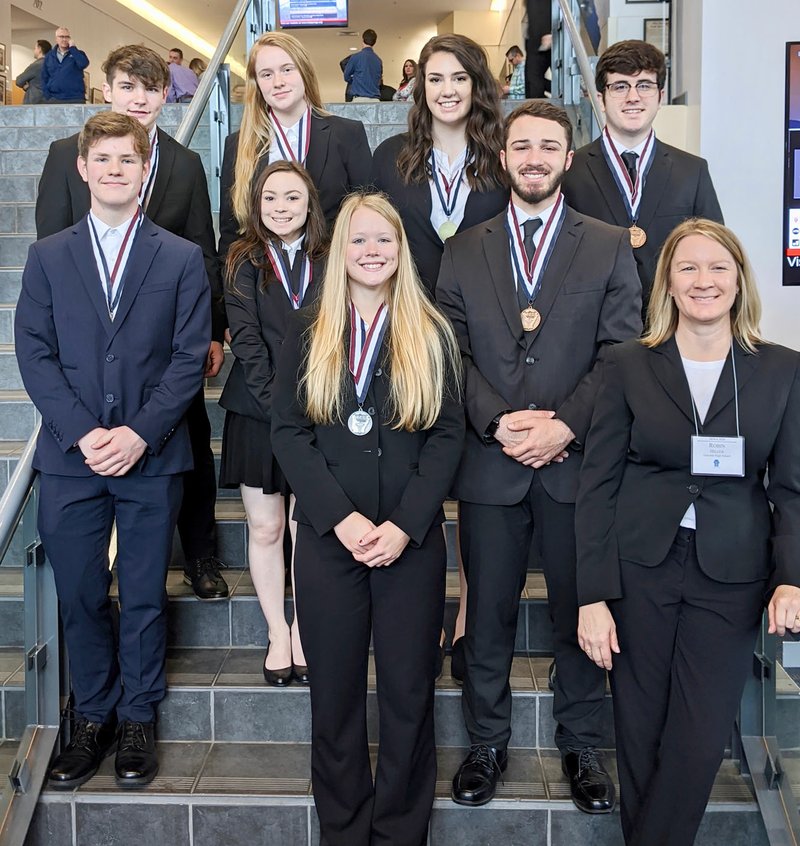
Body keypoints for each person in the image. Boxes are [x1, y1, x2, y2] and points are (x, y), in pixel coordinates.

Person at [436, 100, 642, 811]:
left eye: (547, 147)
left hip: (576, 468)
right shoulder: (464, 246)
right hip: (491, 465)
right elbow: (447, 351)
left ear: (566, 157)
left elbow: (622, 352)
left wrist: (566, 427)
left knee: (578, 614)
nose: (532, 158)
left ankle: (583, 744)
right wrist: (497, 422)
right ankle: (486, 742)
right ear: (503, 157)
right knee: (486, 613)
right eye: (521, 146)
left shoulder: (610, 243)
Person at [576, 218, 800, 845]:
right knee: (640, 729)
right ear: (668, 284)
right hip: (640, 565)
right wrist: (592, 594)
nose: (704, 281)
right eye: (688, 268)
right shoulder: (627, 364)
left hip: (730, 572)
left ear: (738, 281)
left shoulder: (781, 371)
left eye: (718, 268)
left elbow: (791, 488)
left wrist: (793, 578)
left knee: (699, 737)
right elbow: (596, 486)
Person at [15, 112, 210, 790]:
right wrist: (83, 431)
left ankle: (136, 718)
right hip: (72, 459)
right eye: (102, 159)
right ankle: (91, 715)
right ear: (82, 167)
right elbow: (34, 354)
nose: (114, 170)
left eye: (128, 159)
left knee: (145, 595)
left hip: (152, 455)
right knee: (80, 592)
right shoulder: (47, 255)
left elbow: (190, 360)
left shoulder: (181, 258)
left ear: (145, 169)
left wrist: (137, 433)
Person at [271, 192, 464, 846]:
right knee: (335, 698)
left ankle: (401, 831)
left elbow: (447, 436)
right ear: (340, 251)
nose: (372, 250)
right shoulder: (308, 328)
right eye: (359, 240)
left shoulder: (431, 329)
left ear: (401, 249)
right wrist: (342, 520)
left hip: (410, 544)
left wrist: (407, 524)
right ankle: (346, 830)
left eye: (384, 239)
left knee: (409, 697)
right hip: (331, 544)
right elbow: (289, 434)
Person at [35, 44, 229, 602]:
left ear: (164, 96)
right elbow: (52, 242)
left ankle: (200, 553)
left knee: (187, 435)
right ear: (108, 89)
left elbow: (202, 246)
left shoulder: (185, 163)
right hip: (89, 349)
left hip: (165, 346)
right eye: (126, 87)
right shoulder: (63, 155)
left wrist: (213, 328)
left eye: (148, 89)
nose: (137, 98)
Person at [372, 33, 509, 683]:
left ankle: (466, 619)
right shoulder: (391, 158)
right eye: (434, 79)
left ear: (475, 84)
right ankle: (424, 611)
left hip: (486, 347)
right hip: (409, 345)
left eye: (458, 77)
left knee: (475, 494)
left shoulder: (503, 161)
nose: (446, 89)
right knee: (419, 481)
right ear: (419, 89)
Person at [220, 160, 327, 684]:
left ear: (310, 203)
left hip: (321, 411)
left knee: (309, 528)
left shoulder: (330, 255)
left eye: (291, 198)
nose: (280, 208)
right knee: (266, 527)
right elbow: (244, 340)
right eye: (270, 199)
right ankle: (276, 631)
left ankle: (307, 628)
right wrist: (280, 409)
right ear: (256, 205)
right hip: (257, 411)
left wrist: (312, 406)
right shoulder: (242, 258)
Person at [561, 40, 723, 313]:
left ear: (660, 97)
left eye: (644, 85)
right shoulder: (570, 171)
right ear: (600, 99)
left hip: (671, 324)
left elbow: (714, 254)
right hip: (593, 329)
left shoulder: (692, 171)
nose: (633, 97)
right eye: (620, 86)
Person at [219, 31, 372, 262]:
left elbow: (367, 218)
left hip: (331, 277)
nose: (278, 82)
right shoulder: (238, 144)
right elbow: (230, 233)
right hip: (263, 283)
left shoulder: (347, 134)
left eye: (287, 69)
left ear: (304, 72)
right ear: (257, 84)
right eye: (266, 74)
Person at [41, 27, 89, 104]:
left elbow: (83, 64)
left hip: (75, 98)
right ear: (56, 39)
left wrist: (73, 48)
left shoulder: (78, 54)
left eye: (67, 37)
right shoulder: (49, 56)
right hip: (54, 99)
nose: (64, 39)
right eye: (61, 37)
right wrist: (47, 96)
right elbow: (44, 77)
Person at [342, 28, 382, 102]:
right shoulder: (378, 60)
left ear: (363, 40)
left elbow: (346, 76)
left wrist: (355, 81)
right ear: (375, 42)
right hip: (375, 100)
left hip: (359, 100)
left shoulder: (356, 57)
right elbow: (379, 80)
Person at [15, 39, 52, 104]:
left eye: (35, 48)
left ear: (39, 49)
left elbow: (19, 81)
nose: (34, 50)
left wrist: (26, 86)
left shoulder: (37, 65)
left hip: (34, 104)